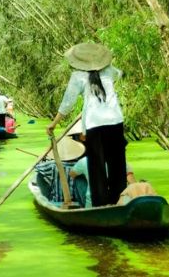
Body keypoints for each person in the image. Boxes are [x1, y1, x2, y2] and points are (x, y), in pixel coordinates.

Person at [47, 42, 127, 207]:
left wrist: (54, 124)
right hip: (115, 121)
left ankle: (100, 206)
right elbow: (121, 74)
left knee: (96, 167)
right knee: (117, 165)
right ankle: (119, 202)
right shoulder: (109, 70)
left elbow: (67, 103)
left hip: (95, 124)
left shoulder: (78, 76)